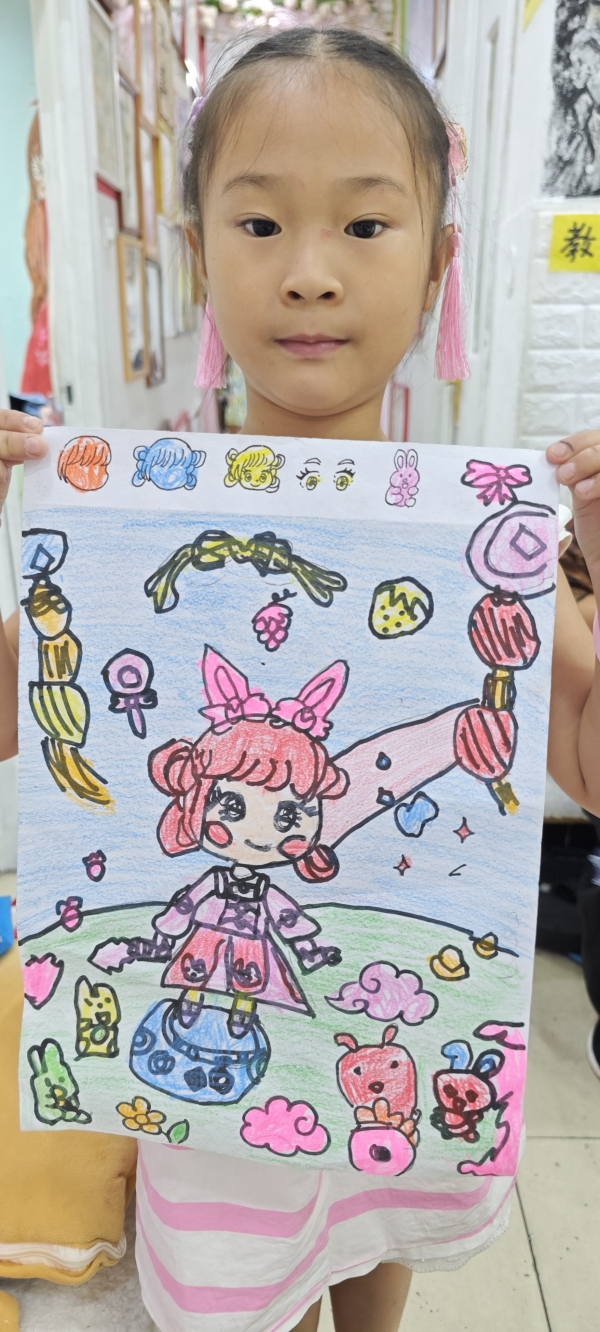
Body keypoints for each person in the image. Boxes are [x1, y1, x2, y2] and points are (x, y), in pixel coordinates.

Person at [3, 26, 600, 1332]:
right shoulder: (121, 527)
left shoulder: (487, 540)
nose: (311, 272)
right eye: (261, 223)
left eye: (367, 226)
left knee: (377, 1222)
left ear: (439, 261)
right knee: (236, 1285)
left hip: (399, 1068)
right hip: (215, 1119)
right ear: (199, 252)